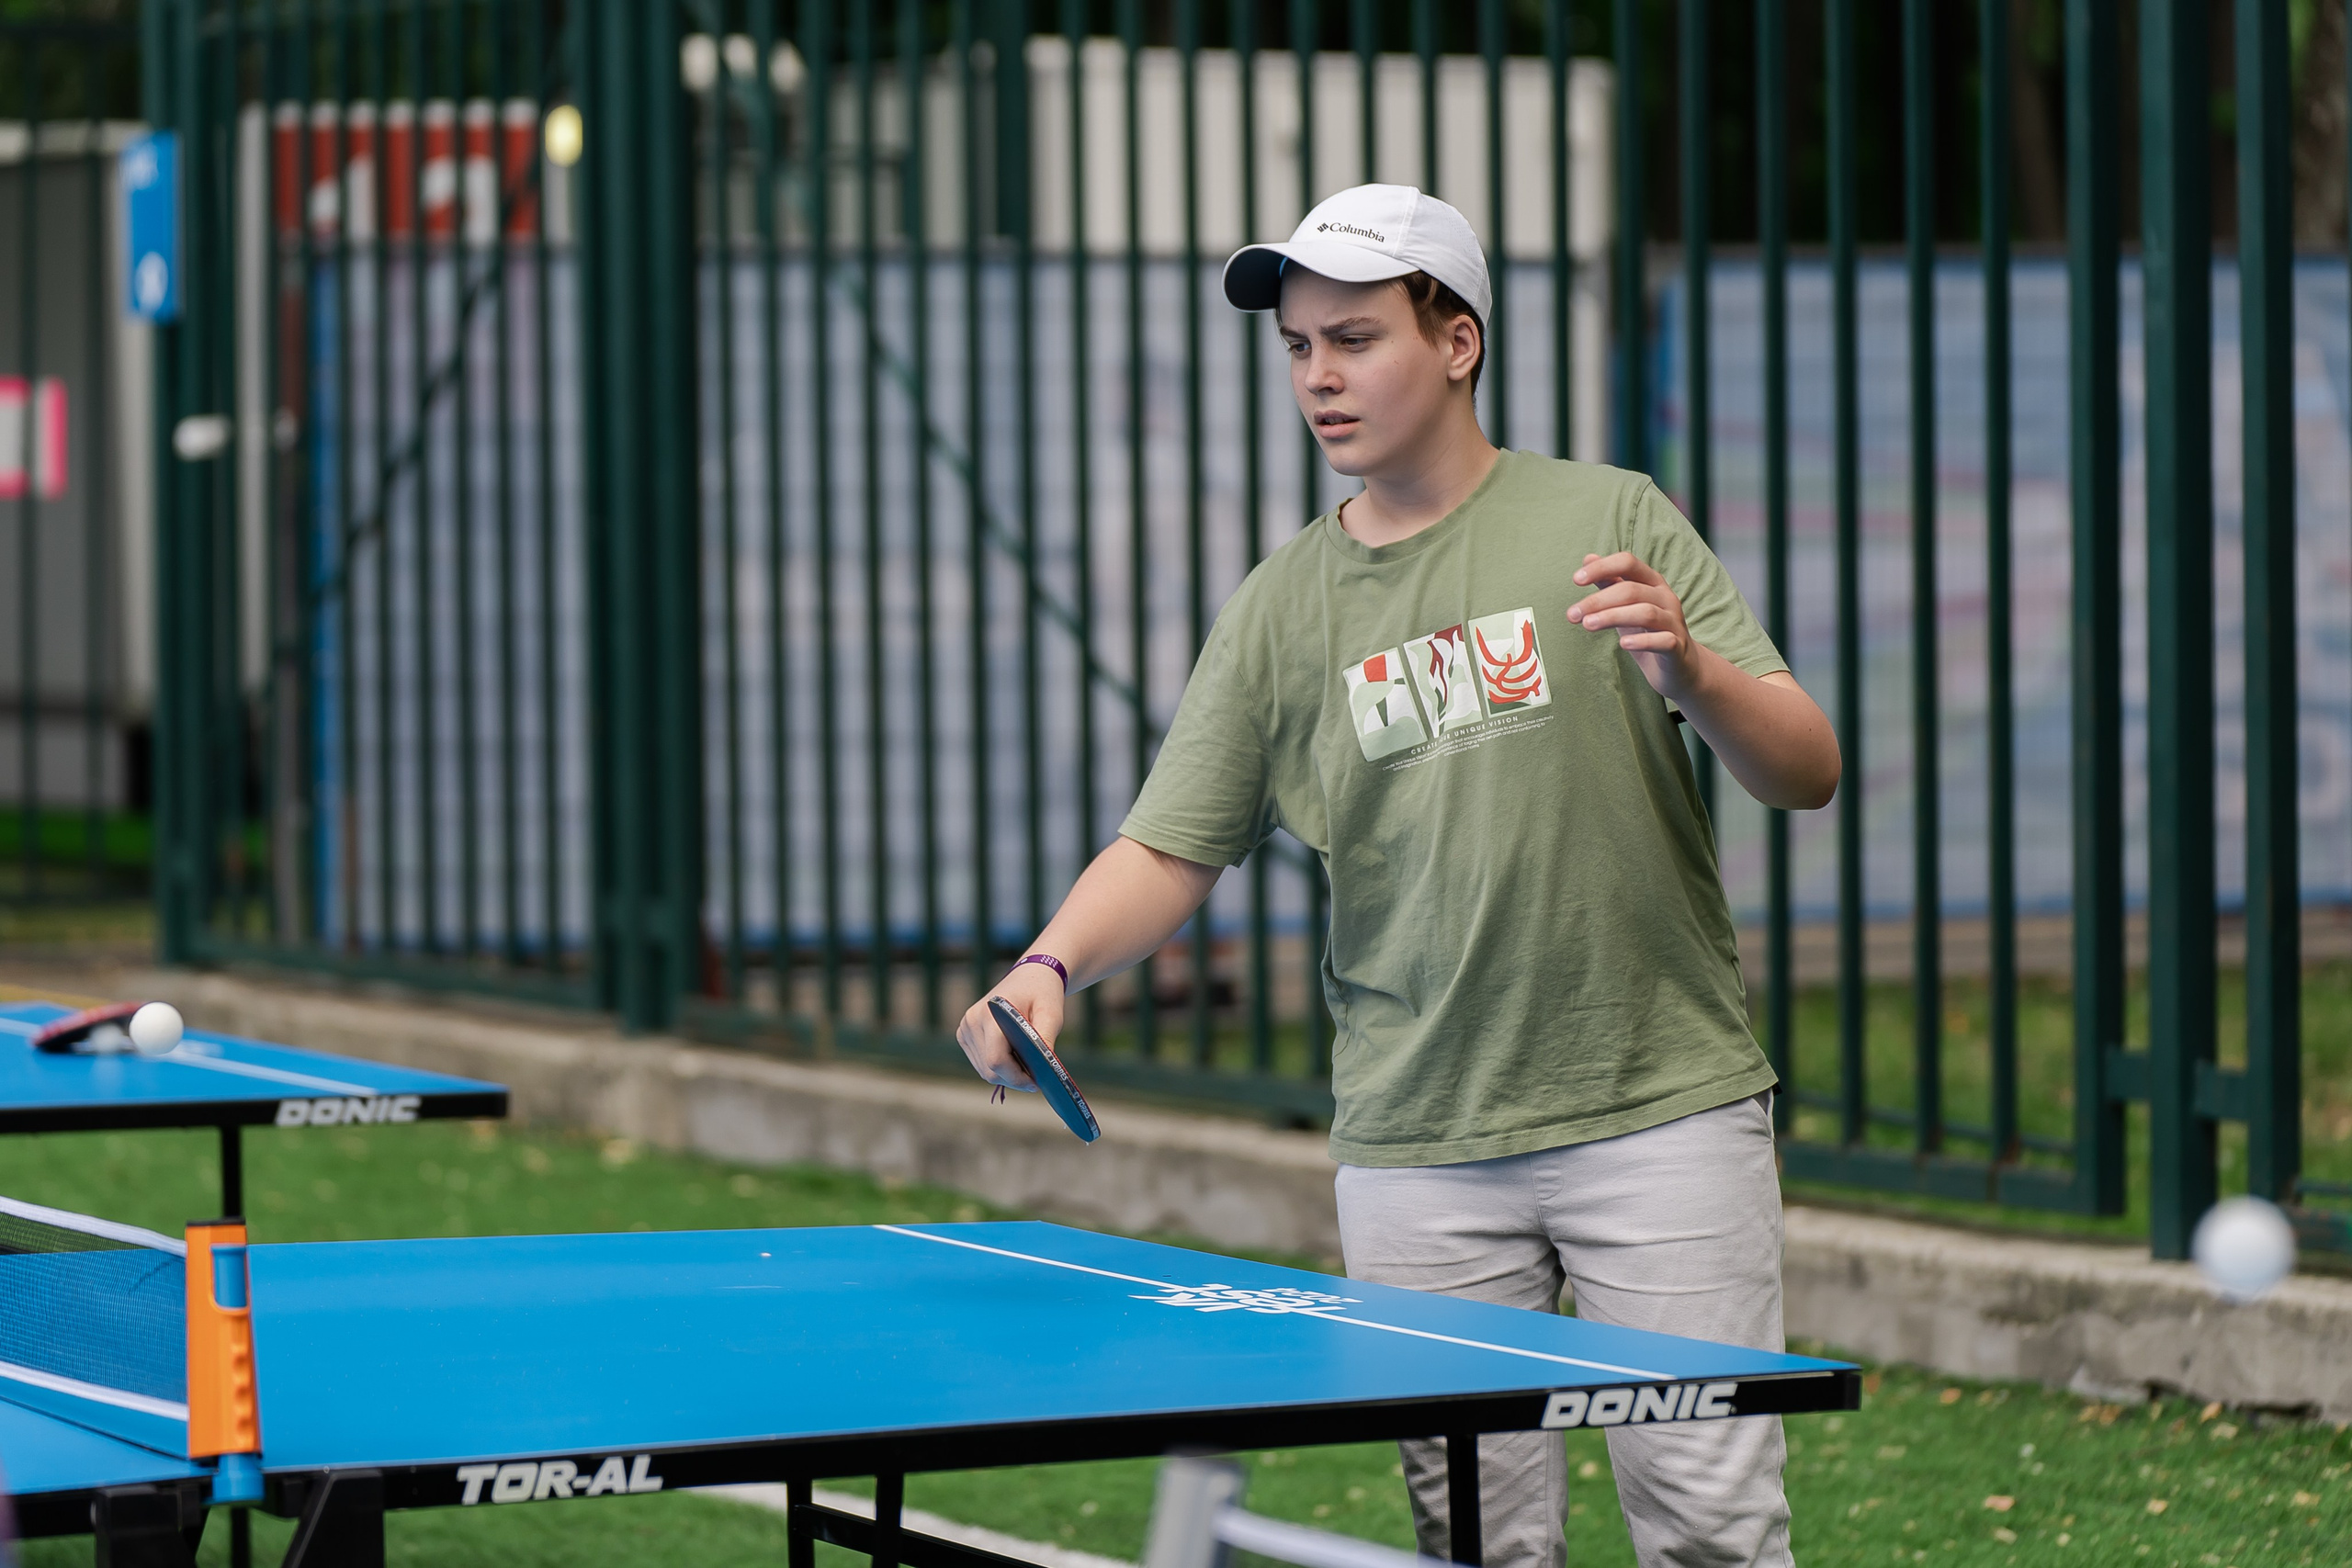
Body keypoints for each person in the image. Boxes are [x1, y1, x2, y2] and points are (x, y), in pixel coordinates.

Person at [956, 184, 1840, 1568]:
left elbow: (1805, 769)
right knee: (1481, 1544)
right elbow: (1170, 843)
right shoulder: (1280, 606)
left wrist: (1696, 673)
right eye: (1299, 346)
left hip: (1659, 1116)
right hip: (1419, 1150)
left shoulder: (1610, 516)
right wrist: (1046, 966)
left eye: (1354, 338)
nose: (1319, 375)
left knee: (1716, 1534)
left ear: (1457, 341)